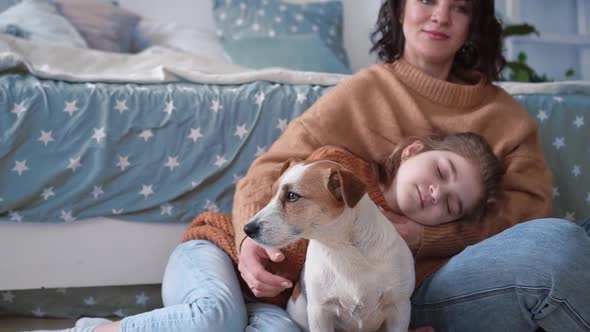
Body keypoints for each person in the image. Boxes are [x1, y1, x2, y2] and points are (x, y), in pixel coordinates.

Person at [57, 0, 590, 331]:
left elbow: (525, 221)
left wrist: (418, 238)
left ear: (475, 23)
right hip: (321, 288)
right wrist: (250, 244)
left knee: (566, 242)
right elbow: (275, 170)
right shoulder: (364, 93)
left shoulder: (508, 118)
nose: (440, 15)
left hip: (419, 290)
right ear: (400, 7)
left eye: (460, 7)